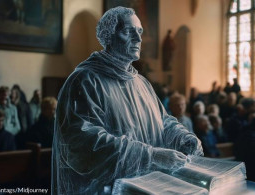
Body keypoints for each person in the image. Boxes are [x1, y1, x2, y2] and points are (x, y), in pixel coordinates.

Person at [52, 7, 203, 194]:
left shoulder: (141, 82)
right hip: (103, 189)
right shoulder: (85, 80)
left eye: (139, 31)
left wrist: (182, 137)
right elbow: (82, 143)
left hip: (145, 186)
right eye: (128, 32)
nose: (138, 39)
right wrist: (151, 156)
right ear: (109, 36)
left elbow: (162, 121)